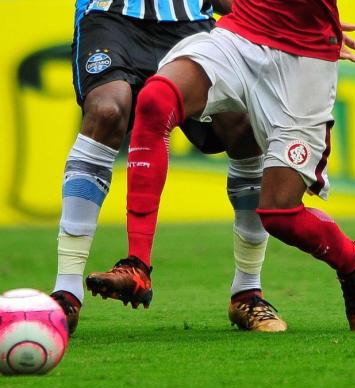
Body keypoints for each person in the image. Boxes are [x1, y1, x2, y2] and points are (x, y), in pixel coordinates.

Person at [85, 1, 355, 331]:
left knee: (280, 215)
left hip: (302, 60)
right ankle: (136, 265)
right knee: (156, 100)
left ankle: (354, 261)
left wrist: (315, 23)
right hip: (240, 36)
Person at [51, 0, 288, 336]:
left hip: (191, 23)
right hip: (111, 19)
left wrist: (281, 25)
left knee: (243, 127)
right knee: (106, 111)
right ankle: (66, 292)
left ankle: (247, 292)